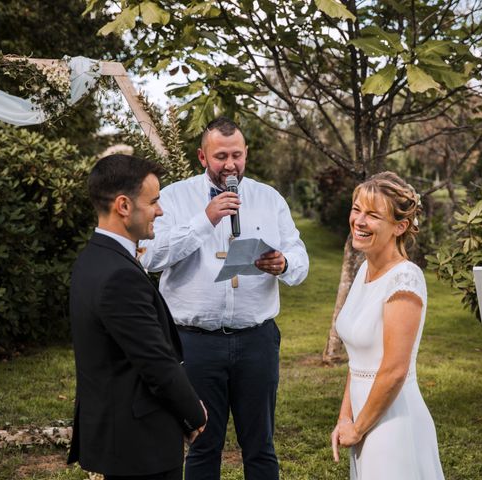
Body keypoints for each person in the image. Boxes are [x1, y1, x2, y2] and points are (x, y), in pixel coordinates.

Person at [140, 116, 309, 480]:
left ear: (246, 153)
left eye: (237, 155)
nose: (230, 165)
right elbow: (151, 258)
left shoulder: (269, 198)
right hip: (194, 344)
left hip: (257, 341)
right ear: (202, 157)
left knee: (261, 445)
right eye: (220, 157)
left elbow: (300, 258)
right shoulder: (174, 197)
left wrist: (284, 263)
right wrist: (205, 220)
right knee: (202, 445)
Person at [68, 154, 207, 480]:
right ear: (123, 206)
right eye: (154, 201)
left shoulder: (92, 259)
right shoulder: (119, 275)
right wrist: (194, 414)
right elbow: (155, 362)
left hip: (116, 434)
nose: (160, 210)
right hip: (138, 445)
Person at [330, 171, 444, 479]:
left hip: (393, 422)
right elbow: (358, 363)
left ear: (400, 226)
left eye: (372, 215)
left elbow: (394, 370)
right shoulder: (365, 268)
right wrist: (345, 419)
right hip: (362, 421)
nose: (359, 221)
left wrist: (359, 427)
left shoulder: (404, 279)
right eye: (357, 209)